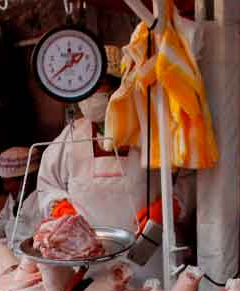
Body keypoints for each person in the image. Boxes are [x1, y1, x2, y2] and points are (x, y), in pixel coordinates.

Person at [37, 74, 158, 232]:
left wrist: (169, 207)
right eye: (85, 85)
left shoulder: (153, 130)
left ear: (120, 87)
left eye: (98, 84)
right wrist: (60, 207)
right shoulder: (72, 135)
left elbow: (188, 178)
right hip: (84, 247)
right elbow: (47, 184)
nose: (89, 93)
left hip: (148, 248)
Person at [0, 146, 43, 242]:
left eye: (8, 182)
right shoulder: (15, 196)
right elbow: (7, 221)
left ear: (26, 180)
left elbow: (35, 240)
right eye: (4, 182)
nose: (6, 187)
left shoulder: (42, 201)